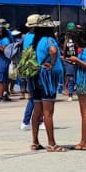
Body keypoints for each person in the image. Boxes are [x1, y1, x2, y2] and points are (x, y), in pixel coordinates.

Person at [25, 14, 65, 152]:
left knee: (37, 110)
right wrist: (53, 62)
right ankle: (52, 143)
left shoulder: (35, 40)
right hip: (47, 77)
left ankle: (35, 142)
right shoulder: (49, 40)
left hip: (35, 76)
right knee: (48, 112)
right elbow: (53, 51)